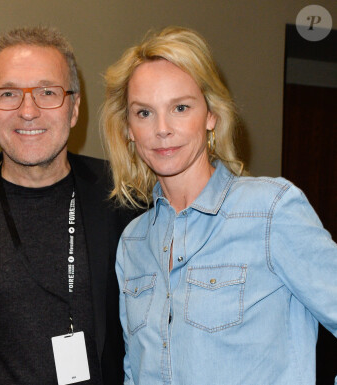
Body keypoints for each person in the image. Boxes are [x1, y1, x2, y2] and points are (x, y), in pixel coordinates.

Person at [101, 25, 337, 385]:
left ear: (211, 115)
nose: (161, 129)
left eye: (180, 107)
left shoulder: (270, 211)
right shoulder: (133, 242)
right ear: (129, 129)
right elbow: (135, 370)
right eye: (144, 113)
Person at [0, 26, 137, 384]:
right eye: (8, 94)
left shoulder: (122, 196)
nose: (28, 111)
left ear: (74, 107)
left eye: (47, 92)